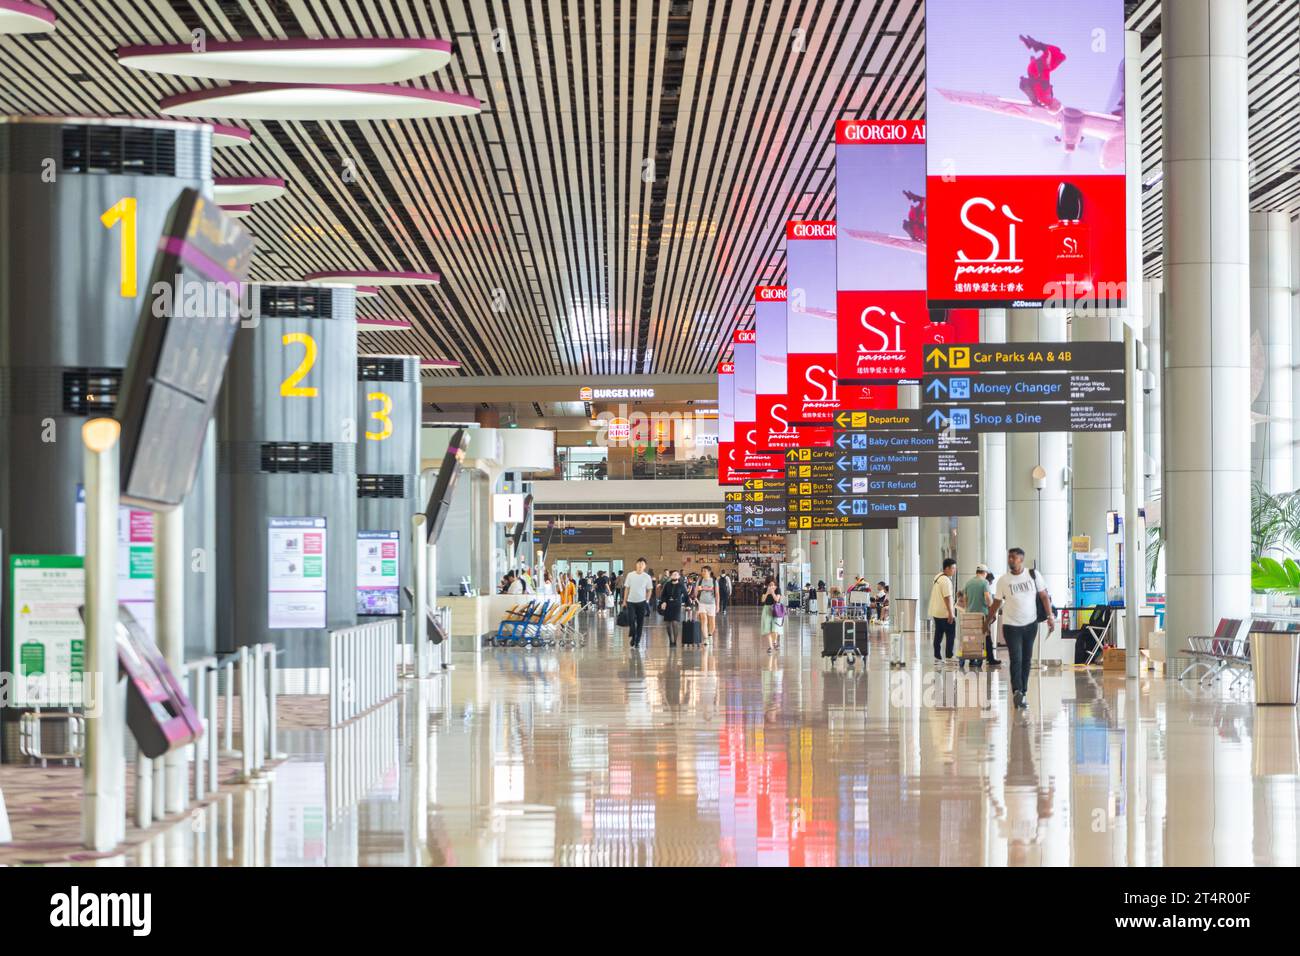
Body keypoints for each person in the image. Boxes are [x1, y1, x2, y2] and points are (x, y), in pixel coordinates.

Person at [985, 547, 1055, 710]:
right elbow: (996, 602)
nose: (1011, 560)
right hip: (1011, 625)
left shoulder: (1033, 575)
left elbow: (1044, 596)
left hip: (1030, 625)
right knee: (1016, 658)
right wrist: (988, 620)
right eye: (1009, 557)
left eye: (1014, 558)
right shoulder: (1003, 580)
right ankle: (1017, 690)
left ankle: (1023, 691)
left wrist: (1050, 616)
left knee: (1026, 659)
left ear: (1021, 560)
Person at [958, 563, 1000, 668]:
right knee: (986, 637)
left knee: (972, 637)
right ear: (985, 573)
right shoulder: (984, 583)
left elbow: (965, 598)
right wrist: (991, 609)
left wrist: (968, 609)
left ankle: (972, 659)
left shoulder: (968, 583)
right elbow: (988, 598)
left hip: (970, 615)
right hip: (982, 615)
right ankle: (991, 659)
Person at [1018, 34, 1066, 112]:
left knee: (1056, 53)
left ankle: (1035, 45)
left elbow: (1041, 82)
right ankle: (1033, 44)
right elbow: (1037, 85)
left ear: (1054, 106)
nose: (1058, 101)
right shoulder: (1047, 99)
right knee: (1061, 57)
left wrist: (1044, 65)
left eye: (1058, 103)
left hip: (1038, 70)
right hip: (1038, 70)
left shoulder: (1046, 99)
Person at [929, 558, 958, 663]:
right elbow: (947, 597)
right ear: (947, 568)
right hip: (945, 613)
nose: (954, 570)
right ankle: (949, 656)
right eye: (953, 568)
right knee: (950, 635)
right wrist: (951, 613)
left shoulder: (938, 577)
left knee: (938, 634)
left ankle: (937, 656)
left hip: (936, 612)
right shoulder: (946, 580)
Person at [622, 557, 655, 649]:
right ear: (636, 564)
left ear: (645, 566)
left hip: (642, 602)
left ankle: (637, 641)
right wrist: (624, 601)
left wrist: (647, 600)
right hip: (631, 601)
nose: (640, 565)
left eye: (642, 564)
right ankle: (633, 635)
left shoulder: (647, 577)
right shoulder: (630, 575)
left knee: (640, 622)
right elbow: (627, 588)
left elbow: (649, 590)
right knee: (631, 620)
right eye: (639, 563)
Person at [658, 569, 690, 648]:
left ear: (679, 576)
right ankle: (670, 640)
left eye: (676, 574)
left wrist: (688, 605)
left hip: (676, 605)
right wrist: (664, 602)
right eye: (673, 574)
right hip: (668, 605)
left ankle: (675, 641)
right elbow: (663, 595)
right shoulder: (667, 584)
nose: (675, 575)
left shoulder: (681, 585)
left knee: (675, 623)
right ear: (671, 576)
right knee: (668, 624)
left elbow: (686, 596)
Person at [694, 565, 718, 644]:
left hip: (711, 604)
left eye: (705, 571)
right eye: (702, 571)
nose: (703, 572)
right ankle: (706, 638)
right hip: (702, 603)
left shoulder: (714, 581)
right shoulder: (700, 581)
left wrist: (717, 605)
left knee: (712, 623)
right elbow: (696, 592)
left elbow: (717, 594)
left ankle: (710, 634)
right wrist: (696, 592)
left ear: (709, 572)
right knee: (703, 620)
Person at [759, 577, 783, 653]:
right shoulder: (765, 590)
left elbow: (776, 599)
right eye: (769, 584)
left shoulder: (778, 589)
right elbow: (762, 600)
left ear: (775, 583)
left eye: (772, 584)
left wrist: (772, 592)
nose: (771, 586)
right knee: (767, 629)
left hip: (776, 610)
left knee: (775, 629)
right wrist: (767, 593)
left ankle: (775, 642)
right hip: (766, 610)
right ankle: (770, 646)